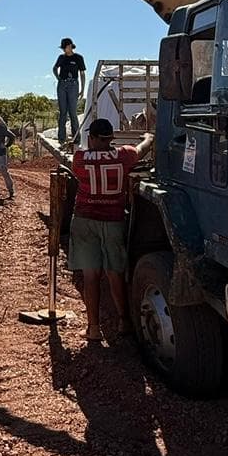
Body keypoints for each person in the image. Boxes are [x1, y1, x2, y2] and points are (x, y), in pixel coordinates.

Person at [69, 118, 154, 342]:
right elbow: (142, 149)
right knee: (115, 272)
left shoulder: (80, 159)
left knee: (91, 275)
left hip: (85, 219)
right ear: (110, 138)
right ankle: (124, 321)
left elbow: (76, 166)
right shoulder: (123, 155)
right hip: (114, 220)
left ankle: (94, 328)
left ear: (93, 138)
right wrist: (148, 138)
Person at [53, 37, 86, 146]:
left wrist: (82, 89)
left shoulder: (78, 58)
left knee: (73, 112)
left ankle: (76, 137)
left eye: (65, 47)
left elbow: (82, 73)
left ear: (70, 46)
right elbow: (54, 68)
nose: (64, 50)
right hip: (62, 84)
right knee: (63, 112)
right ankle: (61, 138)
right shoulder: (61, 58)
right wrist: (59, 78)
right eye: (63, 48)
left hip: (73, 85)